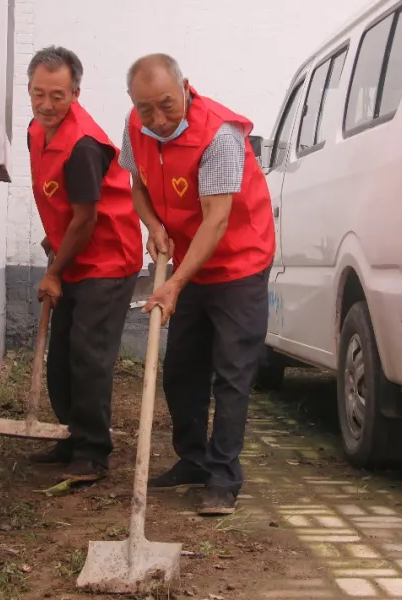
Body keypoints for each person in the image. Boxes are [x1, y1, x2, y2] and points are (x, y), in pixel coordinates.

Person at [118, 53, 275, 516]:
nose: (158, 119)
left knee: (231, 372)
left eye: (167, 104)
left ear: (186, 88)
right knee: (183, 367)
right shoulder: (135, 125)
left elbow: (217, 219)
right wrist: (152, 225)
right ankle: (192, 459)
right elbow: (137, 185)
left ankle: (224, 478)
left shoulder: (219, 135)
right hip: (188, 262)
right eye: (146, 109)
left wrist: (174, 284)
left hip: (238, 263)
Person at [26, 46, 144, 483]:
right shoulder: (36, 132)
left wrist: (54, 271)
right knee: (61, 357)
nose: (46, 105)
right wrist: (54, 239)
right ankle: (74, 437)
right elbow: (57, 197)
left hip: (108, 259)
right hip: (74, 252)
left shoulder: (83, 144)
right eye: (38, 94)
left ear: (75, 93)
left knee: (88, 356)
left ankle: (94, 453)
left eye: (57, 96)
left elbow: (87, 216)